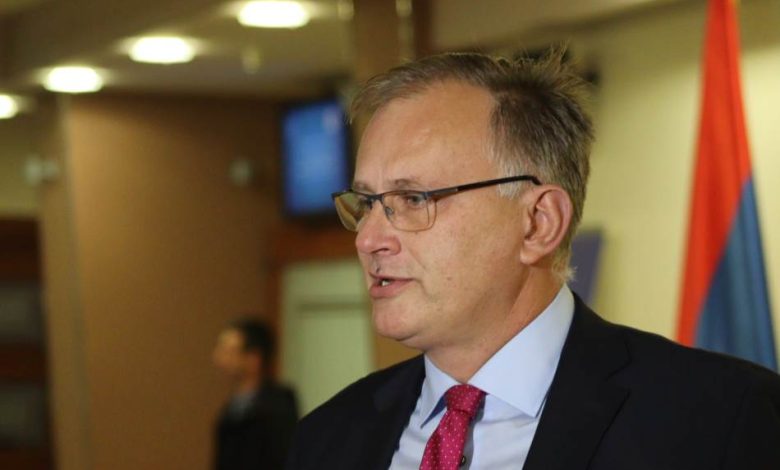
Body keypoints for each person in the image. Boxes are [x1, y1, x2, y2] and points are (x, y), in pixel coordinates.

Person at [285, 48, 780, 470]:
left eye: (413, 199)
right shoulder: (327, 438)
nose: (368, 238)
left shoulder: (722, 421)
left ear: (539, 223)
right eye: (367, 203)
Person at [213, 318, 298, 470]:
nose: (219, 358)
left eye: (230, 352)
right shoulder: (231, 409)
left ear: (254, 358)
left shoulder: (278, 406)